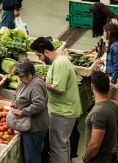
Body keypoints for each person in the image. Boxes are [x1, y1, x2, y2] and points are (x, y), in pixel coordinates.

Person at [32, 35, 83, 163]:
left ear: (46, 52)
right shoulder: (58, 61)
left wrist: (40, 83)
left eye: (39, 56)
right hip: (64, 109)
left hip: (63, 112)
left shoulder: (60, 64)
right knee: (62, 144)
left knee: (58, 146)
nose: (40, 59)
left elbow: (59, 89)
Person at [9, 58, 50, 163]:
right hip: (30, 126)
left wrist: (22, 112)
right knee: (31, 155)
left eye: (21, 77)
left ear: (30, 74)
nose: (20, 79)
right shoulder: (26, 82)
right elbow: (17, 93)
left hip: (35, 127)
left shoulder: (35, 84)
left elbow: (39, 104)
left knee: (32, 158)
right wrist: (14, 103)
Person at [85, 71, 118, 163]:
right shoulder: (116, 105)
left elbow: (95, 145)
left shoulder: (98, 112)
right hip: (113, 156)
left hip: (99, 159)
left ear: (92, 87)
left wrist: (86, 158)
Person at [98, 22, 118, 107]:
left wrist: (113, 81)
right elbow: (115, 61)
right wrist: (105, 62)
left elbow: (117, 65)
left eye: (104, 32)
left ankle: (115, 117)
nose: (103, 34)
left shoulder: (114, 47)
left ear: (109, 33)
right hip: (116, 76)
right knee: (115, 99)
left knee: (108, 99)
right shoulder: (115, 45)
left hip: (114, 77)